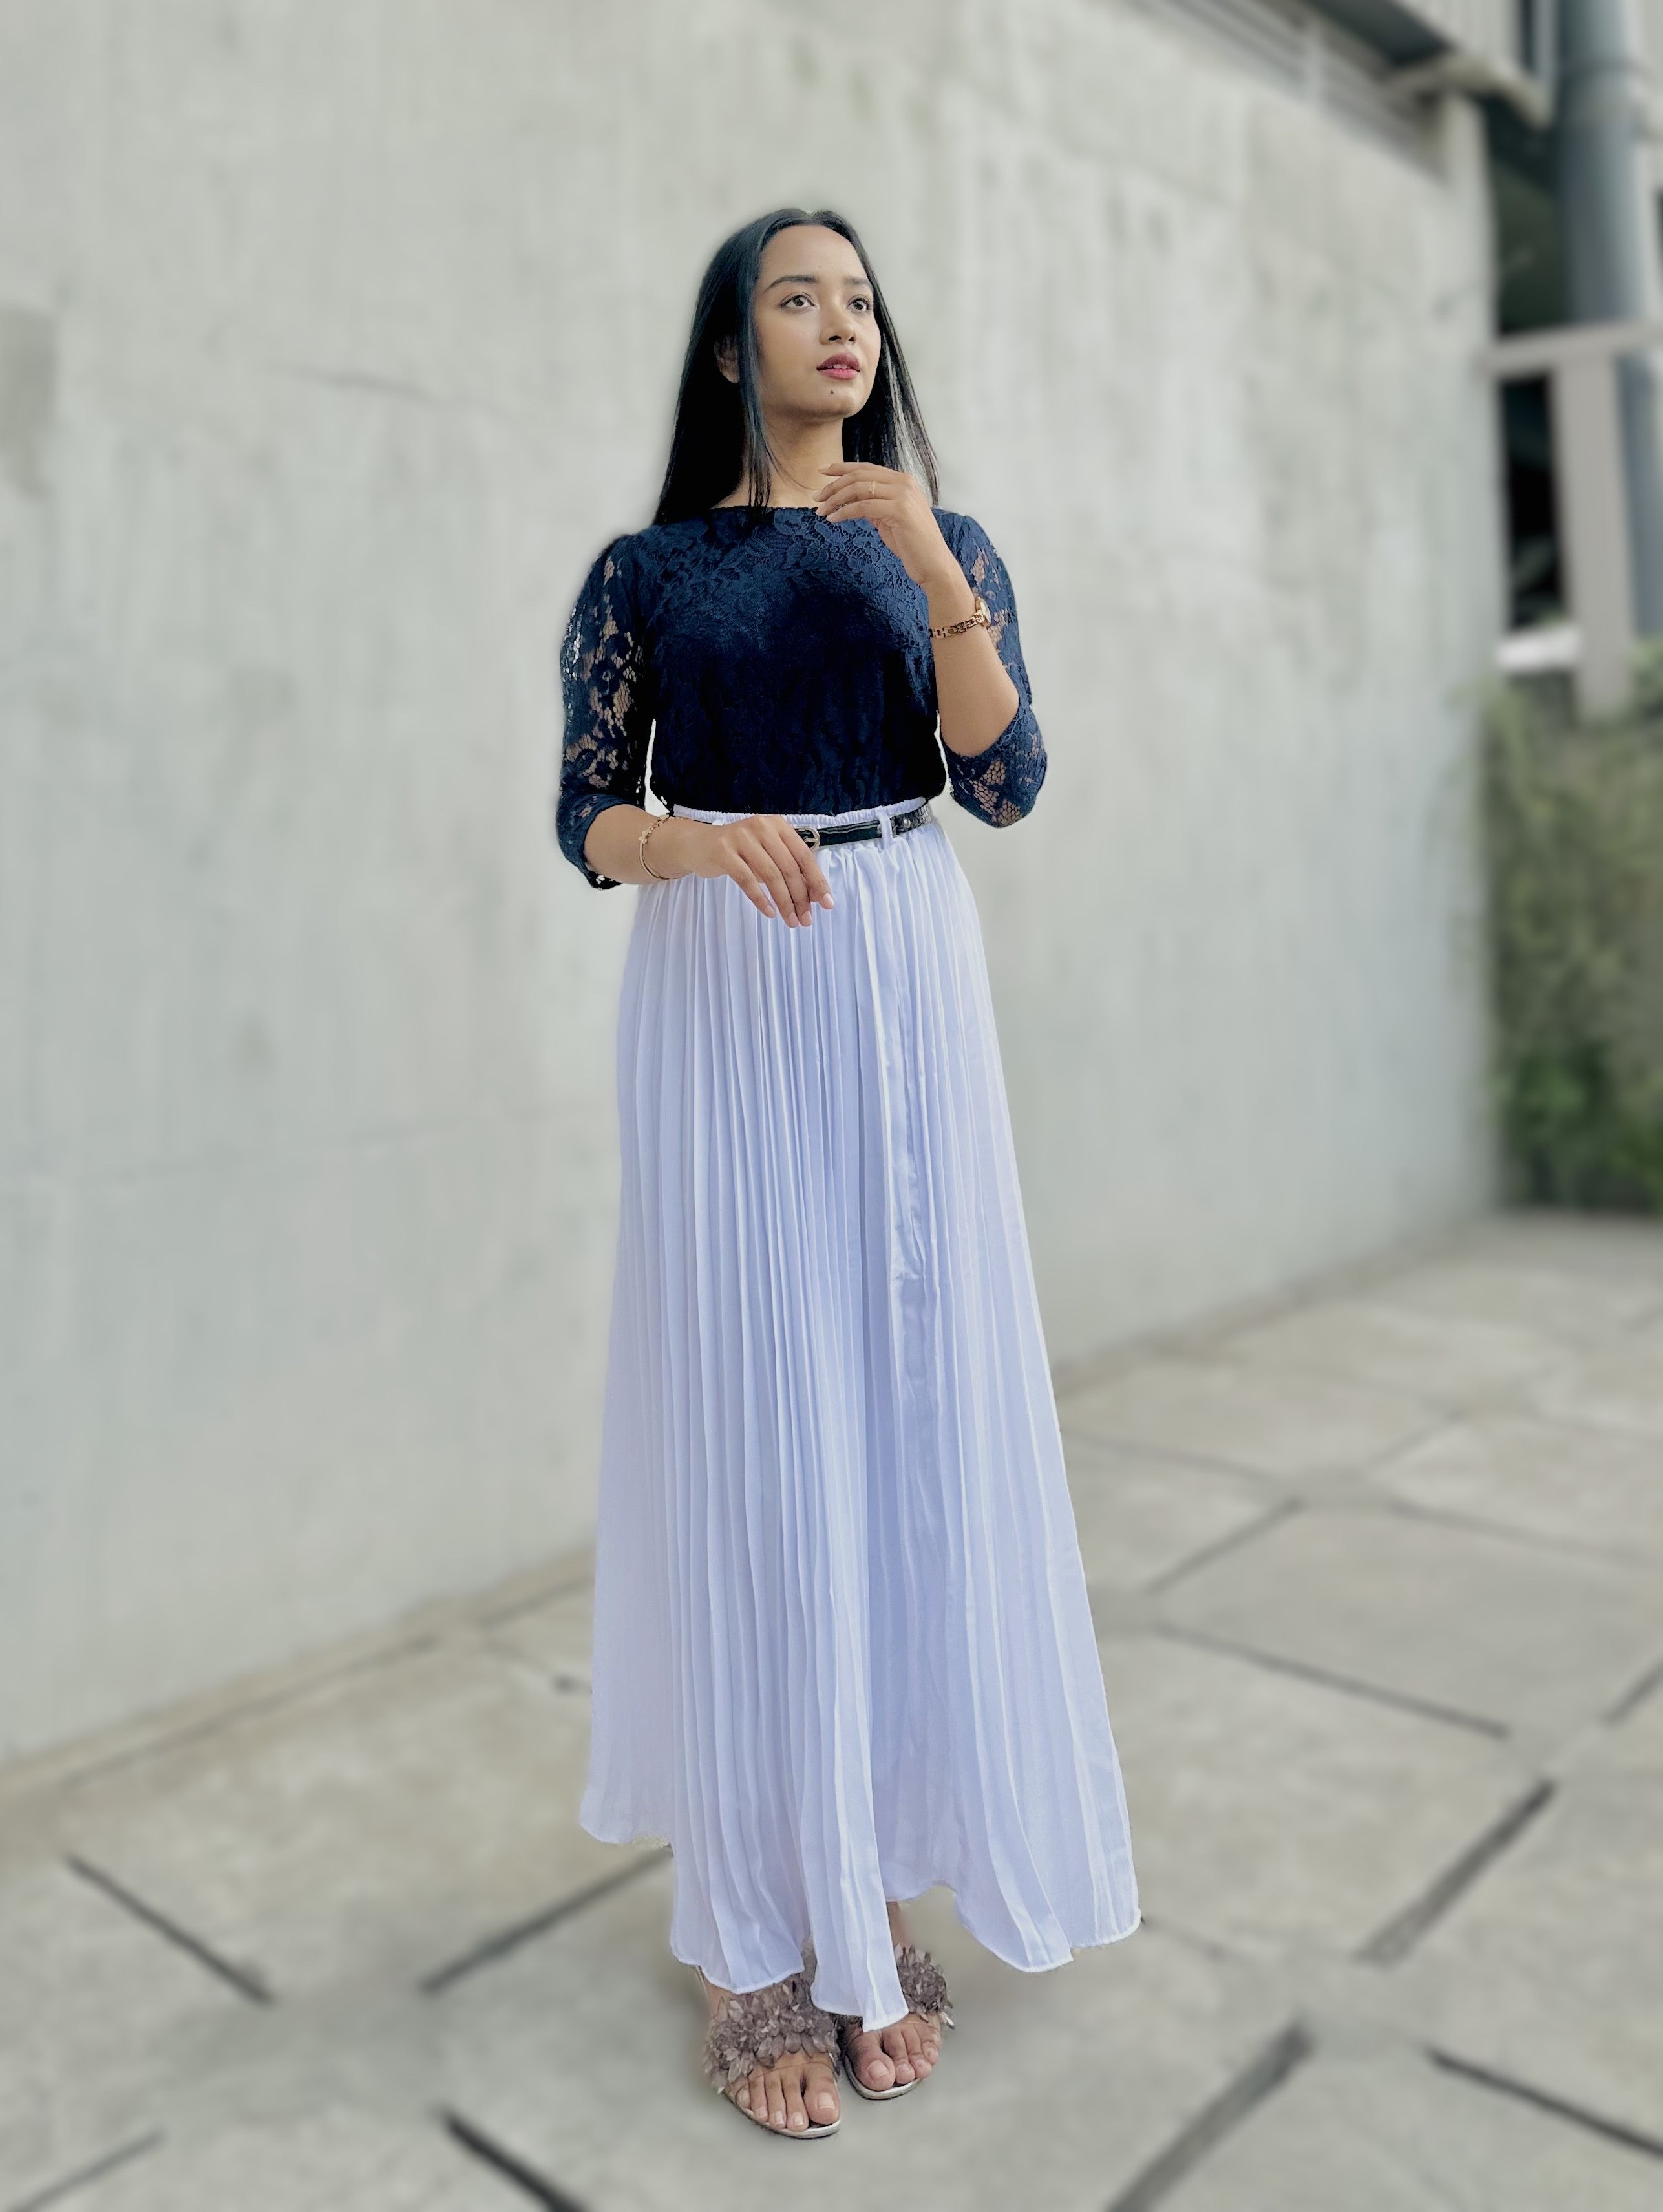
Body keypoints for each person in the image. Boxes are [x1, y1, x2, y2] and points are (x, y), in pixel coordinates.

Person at [555, 207, 1138, 2140]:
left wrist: (917, 559)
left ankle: (868, 1891)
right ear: (731, 347)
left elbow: (1008, 776)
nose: (839, 325)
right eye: (796, 298)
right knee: (755, 1433)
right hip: (734, 986)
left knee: (904, 1426)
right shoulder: (650, 571)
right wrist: (702, 847)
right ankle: (746, 1936)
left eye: (862, 298)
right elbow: (591, 818)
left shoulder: (936, 544)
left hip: (906, 980)